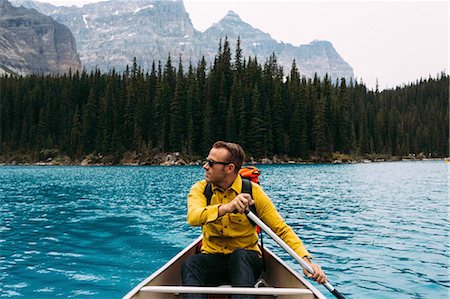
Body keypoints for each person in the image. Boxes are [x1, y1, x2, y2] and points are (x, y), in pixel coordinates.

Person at [182, 141, 327, 298]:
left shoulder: (254, 192)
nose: (205, 166)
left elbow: (281, 229)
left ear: (229, 168)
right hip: (213, 258)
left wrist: (306, 262)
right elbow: (193, 217)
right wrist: (226, 208)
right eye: (207, 160)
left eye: (211, 163)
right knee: (191, 264)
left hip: (247, 261)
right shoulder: (200, 189)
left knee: (239, 256)